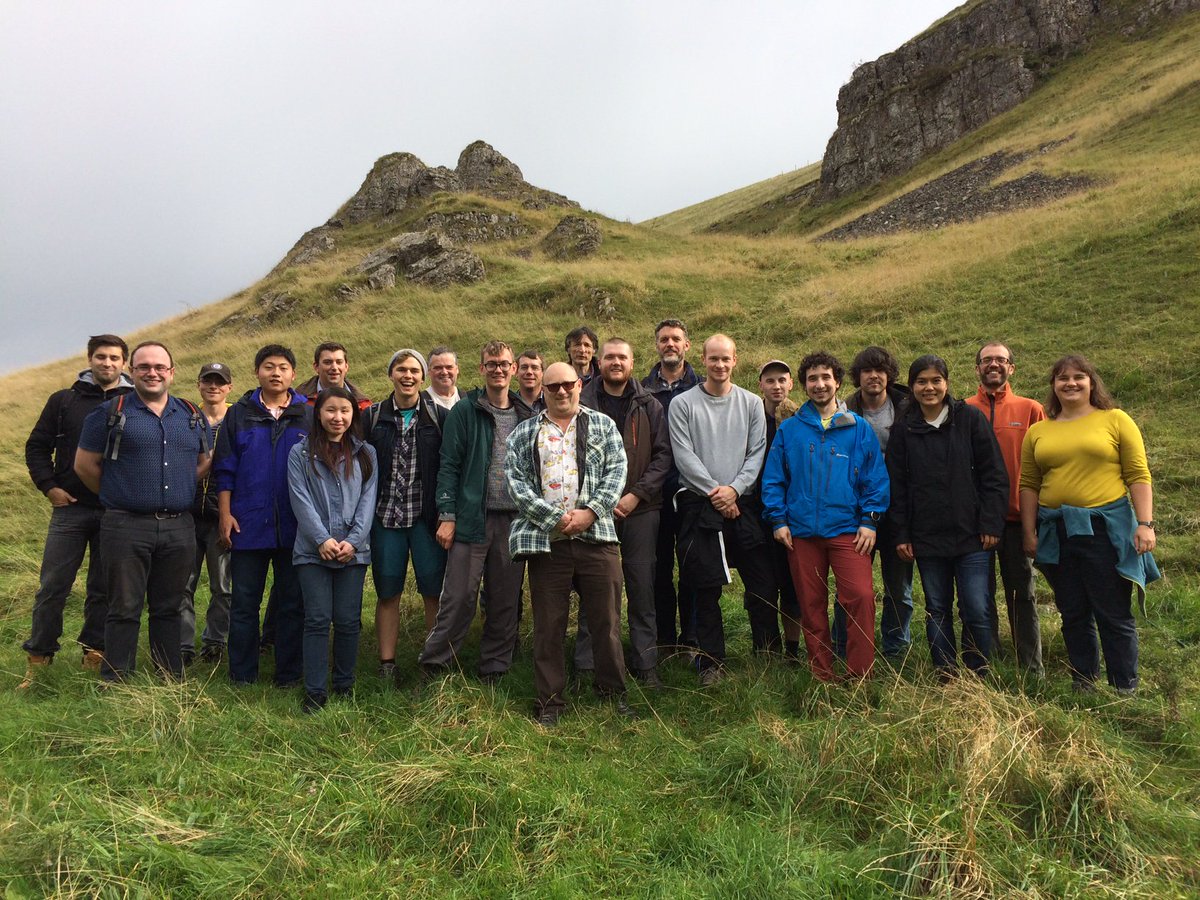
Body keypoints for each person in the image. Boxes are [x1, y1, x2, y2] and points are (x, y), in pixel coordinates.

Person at [1020, 355, 1158, 696]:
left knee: (1112, 611)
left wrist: (1145, 523)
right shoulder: (1039, 431)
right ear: (1053, 385)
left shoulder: (1115, 420)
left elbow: (1138, 475)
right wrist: (1028, 531)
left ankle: (1125, 687)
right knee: (1073, 611)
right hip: (1057, 531)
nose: (1071, 383)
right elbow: (1028, 484)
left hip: (1104, 530)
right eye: (1062, 378)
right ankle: (1084, 683)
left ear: (1091, 383)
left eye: (1078, 377)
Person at [74, 341, 212, 681]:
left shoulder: (191, 414)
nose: (153, 372)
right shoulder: (110, 413)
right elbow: (84, 465)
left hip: (179, 527)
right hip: (125, 525)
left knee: (170, 606)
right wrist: (118, 494)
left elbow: (205, 460)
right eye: (144, 367)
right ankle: (118, 678)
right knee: (123, 607)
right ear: (131, 371)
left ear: (171, 372)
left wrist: (178, 487)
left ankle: (169, 676)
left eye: (160, 367)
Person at [505, 361, 632, 725]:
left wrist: (590, 512)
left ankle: (613, 693)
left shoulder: (602, 425)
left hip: (597, 539)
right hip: (549, 543)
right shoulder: (525, 433)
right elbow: (516, 483)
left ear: (579, 384)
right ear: (542, 391)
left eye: (567, 385)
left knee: (606, 621)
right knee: (549, 625)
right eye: (552, 387)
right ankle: (550, 703)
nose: (561, 391)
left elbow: (616, 472)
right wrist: (554, 518)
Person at [761, 352, 889, 682]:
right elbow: (774, 479)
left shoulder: (858, 429)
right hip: (802, 534)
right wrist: (778, 520)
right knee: (811, 604)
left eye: (826, 378)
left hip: (848, 531)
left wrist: (869, 520)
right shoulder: (790, 431)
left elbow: (875, 479)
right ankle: (822, 673)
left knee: (860, 598)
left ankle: (860, 675)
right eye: (813, 379)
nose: (820, 384)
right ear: (804, 385)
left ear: (837, 382)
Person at [20, 334, 133, 688]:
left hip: (114, 511)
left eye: (115, 358)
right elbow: (36, 446)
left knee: (104, 587)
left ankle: (93, 653)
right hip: (68, 510)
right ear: (89, 359)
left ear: (124, 363)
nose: (107, 364)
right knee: (53, 585)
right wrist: (49, 487)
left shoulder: (134, 403)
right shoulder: (64, 401)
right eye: (101, 357)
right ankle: (38, 658)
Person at [887, 355, 1008, 681]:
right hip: (926, 538)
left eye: (935, 380)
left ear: (947, 383)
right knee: (937, 609)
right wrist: (901, 534)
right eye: (922, 382)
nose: (929, 388)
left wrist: (991, 523)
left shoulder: (969, 419)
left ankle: (980, 672)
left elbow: (993, 475)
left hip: (972, 536)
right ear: (912, 387)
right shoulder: (904, 429)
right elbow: (896, 487)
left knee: (976, 609)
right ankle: (946, 673)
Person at [419, 341, 533, 682]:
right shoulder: (465, 412)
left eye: (504, 364)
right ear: (481, 370)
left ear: (513, 369)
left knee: (504, 599)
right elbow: (448, 466)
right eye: (491, 364)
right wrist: (448, 514)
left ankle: (495, 667)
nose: (498, 369)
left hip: (513, 521)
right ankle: (434, 664)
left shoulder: (526, 414)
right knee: (459, 598)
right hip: (471, 518)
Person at [668, 334, 776, 686]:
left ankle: (767, 653)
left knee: (761, 581)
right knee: (705, 585)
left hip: (742, 502)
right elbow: (684, 456)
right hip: (699, 504)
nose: (719, 365)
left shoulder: (750, 404)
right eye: (712, 359)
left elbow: (757, 452)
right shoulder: (683, 404)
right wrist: (717, 493)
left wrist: (734, 490)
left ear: (735, 360)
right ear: (703, 359)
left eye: (725, 359)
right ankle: (711, 661)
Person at [578, 338, 673, 688]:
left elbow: (663, 456)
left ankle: (645, 664)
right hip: (592, 512)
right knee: (595, 590)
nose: (615, 363)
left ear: (633, 363)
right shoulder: (580, 402)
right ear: (597, 363)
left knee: (641, 586)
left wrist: (636, 495)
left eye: (622, 357)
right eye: (609, 358)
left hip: (641, 510)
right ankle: (589, 664)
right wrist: (594, 503)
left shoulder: (649, 404)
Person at [215, 344, 312, 687]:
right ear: (257, 372)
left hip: (295, 527)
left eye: (283, 367)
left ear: (293, 375)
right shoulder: (238, 414)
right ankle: (243, 676)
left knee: (291, 604)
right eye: (268, 366)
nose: (275, 373)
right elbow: (224, 470)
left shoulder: (306, 415)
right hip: (248, 524)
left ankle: (288, 675)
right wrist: (225, 514)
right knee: (244, 605)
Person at [288, 387, 378, 712]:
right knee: (316, 618)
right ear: (318, 413)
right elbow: (299, 499)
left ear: (353, 414)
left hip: (354, 552)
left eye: (344, 411)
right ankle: (314, 692)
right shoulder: (300, 453)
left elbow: (368, 501)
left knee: (348, 620)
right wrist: (322, 539)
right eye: (330, 411)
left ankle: (344, 685)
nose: (337, 417)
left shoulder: (366, 453)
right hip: (312, 552)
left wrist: (352, 541)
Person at [366, 349, 448, 682]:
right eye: (401, 369)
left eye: (415, 370)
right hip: (385, 518)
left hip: (425, 520)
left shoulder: (440, 417)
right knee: (388, 592)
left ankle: (432, 659)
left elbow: (448, 467)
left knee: (433, 591)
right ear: (391, 375)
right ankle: (387, 663)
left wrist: (447, 514)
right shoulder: (371, 417)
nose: (408, 375)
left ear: (423, 377)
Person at [965, 341, 1046, 676]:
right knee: (977, 597)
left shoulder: (1030, 409)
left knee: (1022, 595)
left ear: (1011, 368)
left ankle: (1031, 667)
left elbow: (1044, 464)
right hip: (974, 522)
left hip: (1016, 519)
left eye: (1000, 360)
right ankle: (985, 662)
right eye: (987, 360)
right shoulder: (964, 409)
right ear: (977, 369)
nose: (993, 365)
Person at [836, 345, 915, 659]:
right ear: (858, 377)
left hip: (898, 511)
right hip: (857, 511)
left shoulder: (908, 408)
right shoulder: (844, 410)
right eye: (867, 371)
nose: (873, 376)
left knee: (900, 589)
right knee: (851, 588)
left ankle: (896, 650)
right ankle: (845, 646)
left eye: (880, 371)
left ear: (889, 375)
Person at [641, 318, 704, 655]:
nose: (670, 344)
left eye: (676, 339)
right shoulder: (642, 390)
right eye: (664, 339)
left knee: (693, 564)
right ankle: (664, 637)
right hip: (653, 494)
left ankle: (693, 636)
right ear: (657, 345)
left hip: (692, 492)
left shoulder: (703, 387)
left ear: (686, 345)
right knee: (658, 568)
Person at [180, 362, 234, 665]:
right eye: (208, 381)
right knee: (181, 585)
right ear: (199, 384)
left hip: (220, 516)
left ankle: (215, 642)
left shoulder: (237, 419)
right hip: (185, 515)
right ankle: (183, 645)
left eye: (220, 382)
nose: (214, 387)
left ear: (229, 387)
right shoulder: (185, 417)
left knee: (223, 586)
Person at [756, 359, 803, 661]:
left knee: (792, 584)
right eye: (770, 380)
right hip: (756, 510)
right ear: (760, 384)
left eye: (781, 380)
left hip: (794, 513)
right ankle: (764, 644)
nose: (776, 386)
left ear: (791, 384)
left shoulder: (800, 417)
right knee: (762, 583)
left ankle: (792, 648)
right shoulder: (750, 415)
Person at [295, 341, 372, 412]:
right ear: (316, 367)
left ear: (346, 366)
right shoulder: (297, 400)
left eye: (339, 362)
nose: (334, 367)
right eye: (327, 362)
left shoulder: (364, 405)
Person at [423, 346, 462, 412]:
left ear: (457, 369)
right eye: (438, 368)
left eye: (449, 367)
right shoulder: (420, 403)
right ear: (428, 371)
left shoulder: (469, 400)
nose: (444, 372)